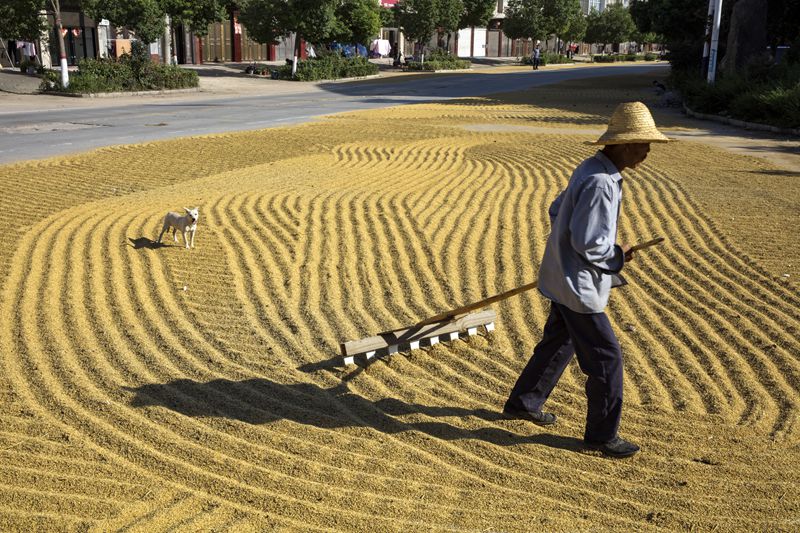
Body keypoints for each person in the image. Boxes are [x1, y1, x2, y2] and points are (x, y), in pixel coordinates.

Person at [503, 102, 670, 458]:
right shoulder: (601, 183)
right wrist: (617, 256)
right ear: (624, 144)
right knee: (606, 357)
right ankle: (601, 436)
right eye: (644, 144)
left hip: (563, 277)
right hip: (579, 287)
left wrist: (567, 247)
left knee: (559, 342)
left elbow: (556, 210)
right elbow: (589, 242)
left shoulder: (591, 168)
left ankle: (524, 401)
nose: (647, 151)